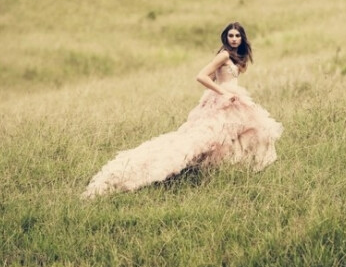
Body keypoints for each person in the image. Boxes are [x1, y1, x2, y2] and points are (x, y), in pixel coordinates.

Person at [82, 22, 283, 199]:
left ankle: (228, 171)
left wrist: (224, 90)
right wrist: (222, 92)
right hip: (225, 99)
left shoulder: (237, 57)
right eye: (230, 35)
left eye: (237, 36)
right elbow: (201, 76)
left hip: (232, 100)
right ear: (225, 37)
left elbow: (215, 78)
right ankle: (163, 170)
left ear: (242, 38)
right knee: (201, 140)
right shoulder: (223, 54)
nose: (234, 39)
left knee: (244, 133)